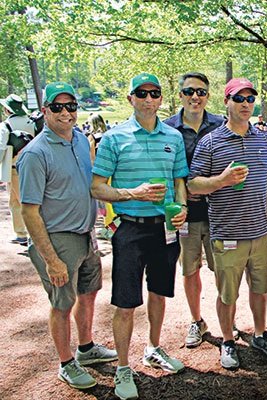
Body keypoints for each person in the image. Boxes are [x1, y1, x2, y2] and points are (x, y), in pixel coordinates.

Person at [91, 73, 189, 399]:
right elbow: (97, 187)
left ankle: (154, 348)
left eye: (155, 93)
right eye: (142, 93)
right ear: (131, 98)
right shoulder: (113, 139)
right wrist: (135, 192)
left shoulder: (173, 138)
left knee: (159, 293)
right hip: (129, 228)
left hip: (164, 229)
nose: (149, 99)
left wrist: (182, 207)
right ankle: (122, 368)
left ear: (161, 98)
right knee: (125, 302)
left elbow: (178, 182)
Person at [16, 82, 117, 390]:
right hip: (57, 239)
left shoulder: (80, 140)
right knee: (62, 303)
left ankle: (85, 350)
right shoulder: (35, 153)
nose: (65, 112)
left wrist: (105, 220)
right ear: (44, 110)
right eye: (57, 107)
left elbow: (87, 186)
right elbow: (29, 213)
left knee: (88, 293)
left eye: (70, 106)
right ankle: (65, 363)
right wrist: (51, 259)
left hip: (85, 235)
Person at [187, 78, 267, 369]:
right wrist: (221, 180)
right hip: (227, 234)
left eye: (250, 99)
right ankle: (228, 341)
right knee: (227, 293)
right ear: (226, 103)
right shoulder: (211, 142)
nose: (245, 104)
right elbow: (192, 185)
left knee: (260, 289)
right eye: (238, 99)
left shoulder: (264, 138)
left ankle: (259, 334)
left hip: (260, 233)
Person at [163, 72, 226, 348]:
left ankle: (227, 320)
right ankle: (196, 320)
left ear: (208, 96)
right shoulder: (167, 128)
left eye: (200, 92)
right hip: (185, 215)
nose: (195, 97)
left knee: (224, 269)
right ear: (180, 95)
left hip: (218, 214)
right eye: (189, 92)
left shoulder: (221, 126)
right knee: (190, 270)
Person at [0, 94, 35, 245]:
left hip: (14, 167)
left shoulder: (5, 125)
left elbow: (1, 148)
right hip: (32, 165)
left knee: (16, 201)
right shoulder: (31, 122)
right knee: (31, 200)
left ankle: (23, 233)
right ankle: (29, 233)